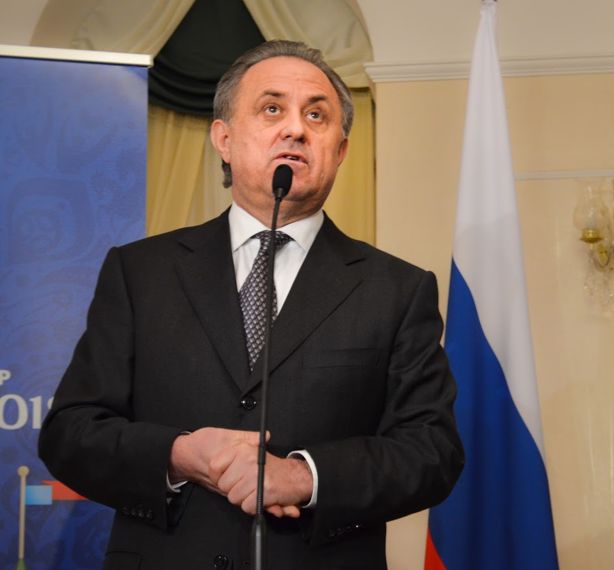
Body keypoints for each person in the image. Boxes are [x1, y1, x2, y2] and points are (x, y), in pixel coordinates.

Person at [39, 40, 464, 570]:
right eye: (271, 109)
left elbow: (431, 451)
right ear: (224, 138)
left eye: (316, 115)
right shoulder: (140, 272)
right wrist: (178, 454)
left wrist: (306, 475)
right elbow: (71, 433)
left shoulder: (396, 289)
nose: (296, 129)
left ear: (340, 150)